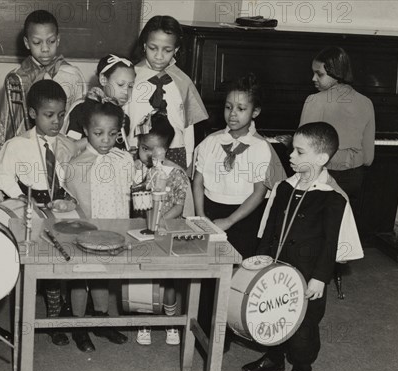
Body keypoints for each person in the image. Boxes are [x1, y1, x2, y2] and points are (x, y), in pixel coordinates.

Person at [242, 122, 363, 371]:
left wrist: (320, 278)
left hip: (308, 274)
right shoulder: (284, 188)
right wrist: (260, 261)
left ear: (321, 158)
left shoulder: (332, 198)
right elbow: (269, 229)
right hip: (276, 266)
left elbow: (331, 244)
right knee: (272, 313)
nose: (290, 156)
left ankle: (302, 370)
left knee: (303, 326)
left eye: (298, 152)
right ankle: (274, 358)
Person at [0, 79, 78, 346]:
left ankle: (58, 316)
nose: (57, 121)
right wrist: (22, 198)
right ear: (33, 114)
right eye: (49, 115)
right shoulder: (16, 144)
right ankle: (32, 320)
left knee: (63, 259)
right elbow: (4, 177)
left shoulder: (67, 144)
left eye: (61, 115)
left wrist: (71, 199)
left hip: (61, 206)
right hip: (29, 205)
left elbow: (74, 178)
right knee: (37, 262)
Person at [64, 100, 134, 352]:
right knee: (82, 277)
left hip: (114, 231)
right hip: (85, 233)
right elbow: (72, 204)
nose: (105, 140)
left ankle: (101, 320)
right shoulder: (76, 165)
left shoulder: (124, 159)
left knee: (103, 276)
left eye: (112, 134)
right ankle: (78, 326)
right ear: (86, 130)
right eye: (98, 133)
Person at [192, 73, 271, 259]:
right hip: (209, 209)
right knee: (208, 263)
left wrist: (230, 220)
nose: (232, 113)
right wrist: (201, 215)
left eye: (241, 108)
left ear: (255, 112)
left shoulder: (260, 147)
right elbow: (198, 180)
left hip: (244, 215)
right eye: (228, 107)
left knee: (238, 264)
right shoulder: (210, 142)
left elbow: (259, 192)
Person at [132, 112, 194, 346]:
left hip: (165, 229)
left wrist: (159, 221)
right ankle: (144, 321)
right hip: (140, 230)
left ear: (166, 149)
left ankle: (171, 321)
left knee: (167, 279)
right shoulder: (136, 169)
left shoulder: (175, 173)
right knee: (142, 278)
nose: (148, 154)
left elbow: (179, 204)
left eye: (155, 150)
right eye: (143, 148)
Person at [299, 47, 375, 214]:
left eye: (319, 74)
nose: (313, 78)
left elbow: (302, 152)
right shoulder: (367, 102)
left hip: (322, 177)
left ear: (336, 73)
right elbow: (369, 159)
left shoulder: (314, 101)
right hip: (354, 179)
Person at [127, 15, 208, 173]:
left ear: (176, 50)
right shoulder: (131, 78)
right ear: (144, 45)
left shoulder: (182, 81)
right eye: (153, 48)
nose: (159, 56)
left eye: (167, 50)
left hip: (174, 152)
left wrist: (188, 159)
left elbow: (188, 126)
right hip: (137, 151)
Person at [0, 9, 87, 138]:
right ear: (27, 43)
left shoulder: (71, 75)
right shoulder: (16, 78)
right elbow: (6, 125)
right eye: (37, 42)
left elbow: (81, 118)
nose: (45, 49)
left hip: (63, 147)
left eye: (51, 41)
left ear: (58, 39)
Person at [63, 53, 135, 151]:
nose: (126, 92)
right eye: (121, 84)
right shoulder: (82, 110)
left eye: (130, 86)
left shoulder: (124, 119)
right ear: (103, 79)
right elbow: (69, 149)